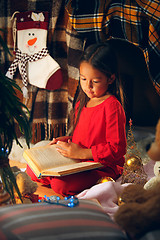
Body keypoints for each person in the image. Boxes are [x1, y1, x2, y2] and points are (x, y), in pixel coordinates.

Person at [27, 42, 127, 196]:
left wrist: (83, 153)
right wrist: (66, 140)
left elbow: (117, 148)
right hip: (78, 161)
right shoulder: (82, 102)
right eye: (83, 79)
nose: (88, 86)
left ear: (111, 79)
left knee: (60, 184)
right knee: (32, 169)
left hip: (101, 166)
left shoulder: (112, 106)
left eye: (95, 81)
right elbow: (84, 138)